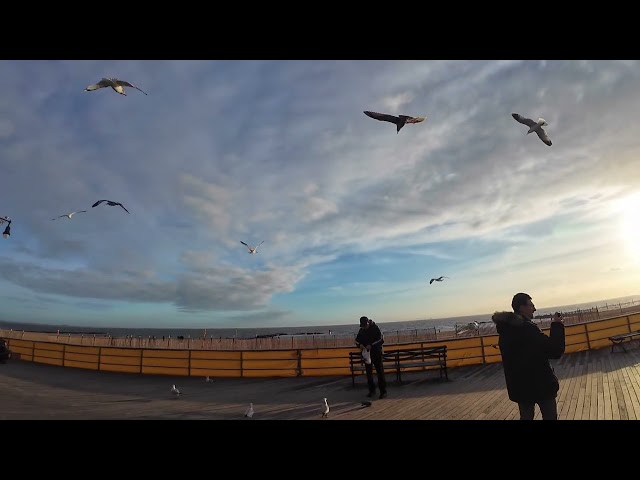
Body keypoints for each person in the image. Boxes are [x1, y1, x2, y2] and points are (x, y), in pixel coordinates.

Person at [492, 292, 565, 420]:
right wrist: (557, 325)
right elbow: (555, 350)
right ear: (521, 307)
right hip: (541, 386)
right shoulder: (528, 329)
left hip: (520, 388)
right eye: (531, 305)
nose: (534, 308)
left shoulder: (504, 331)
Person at [355, 316, 387, 399]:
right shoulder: (361, 330)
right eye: (362, 326)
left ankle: (383, 391)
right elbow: (357, 340)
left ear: (368, 323)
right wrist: (360, 345)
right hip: (367, 355)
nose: (364, 327)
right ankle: (372, 391)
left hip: (377, 353)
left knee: (380, 372)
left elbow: (381, 339)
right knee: (369, 374)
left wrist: (371, 345)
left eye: (365, 325)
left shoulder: (375, 328)